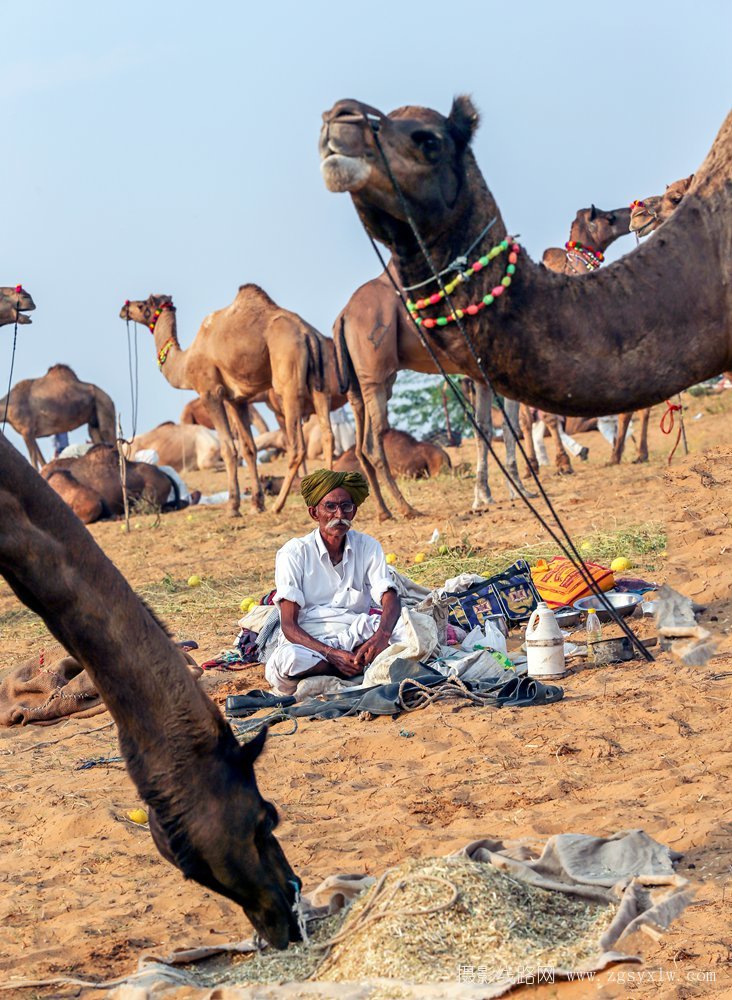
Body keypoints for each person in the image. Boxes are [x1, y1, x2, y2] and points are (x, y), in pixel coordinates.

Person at [265, 469, 404, 695]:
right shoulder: (293, 553)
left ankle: (348, 667)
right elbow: (289, 626)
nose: (339, 514)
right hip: (311, 643)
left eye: (346, 506)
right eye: (330, 507)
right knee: (289, 660)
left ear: (354, 510)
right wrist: (332, 654)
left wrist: (382, 636)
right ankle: (350, 669)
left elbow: (389, 596)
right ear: (314, 512)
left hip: (357, 633)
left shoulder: (368, 546)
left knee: (410, 629)